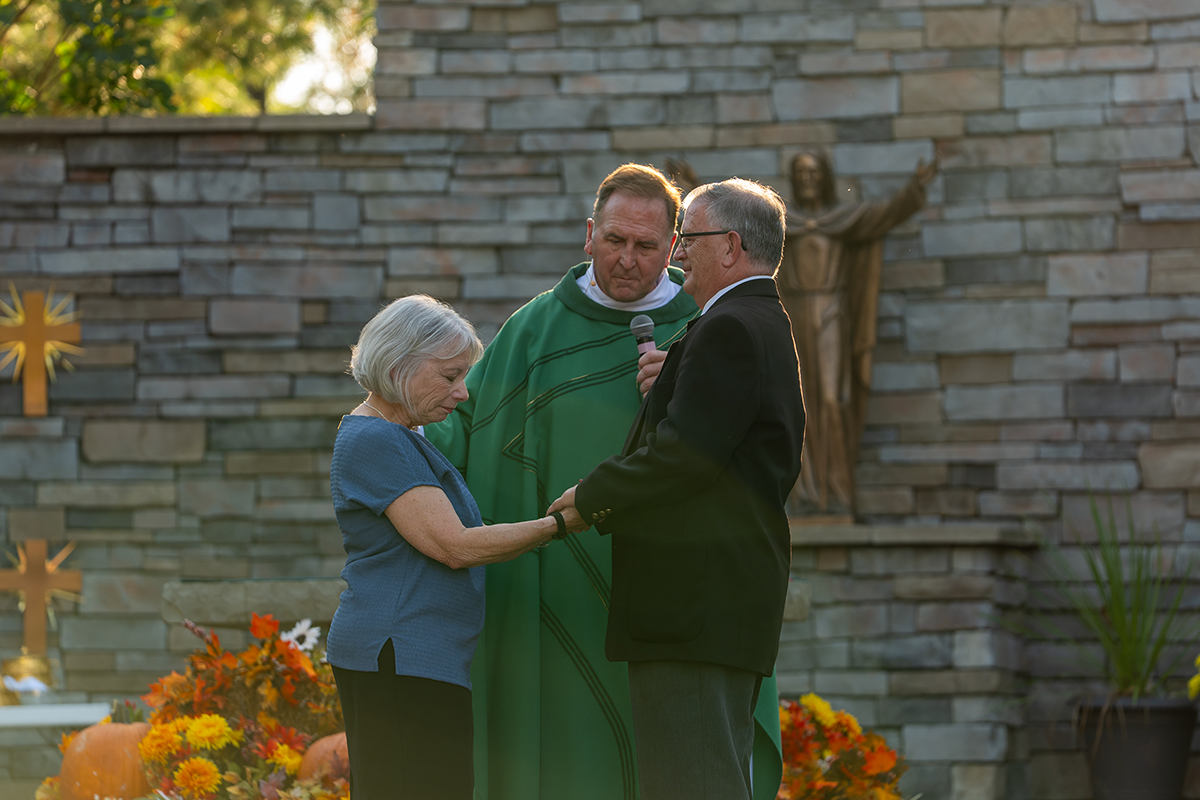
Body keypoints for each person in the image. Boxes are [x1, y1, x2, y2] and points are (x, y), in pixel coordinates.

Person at [424, 164, 784, 800]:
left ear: (675, 245)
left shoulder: (709, 326)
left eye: (648, 247)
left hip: (674, 599)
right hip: (548, 593)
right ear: (589, 234)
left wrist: (671, 392)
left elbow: (717, 454)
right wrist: (389, 436)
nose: (627, 260)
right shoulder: (531, 332)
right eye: (614, 241)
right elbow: (459, 426)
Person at [550, 178, 805, 800]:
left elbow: (685, 457)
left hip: (694, 606)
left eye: (687, 238)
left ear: (730, 245)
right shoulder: (757, 320)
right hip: (720, 602)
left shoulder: (728, 328)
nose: (677, 254)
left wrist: (590, 498)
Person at [325, 294, 587, 800]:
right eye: (449, 376)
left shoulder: (402, 436)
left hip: (412, 656)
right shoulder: (377, 440)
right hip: (398, 654)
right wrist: (558, 525)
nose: (463, 393)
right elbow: (454, 546)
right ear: (399, 365)